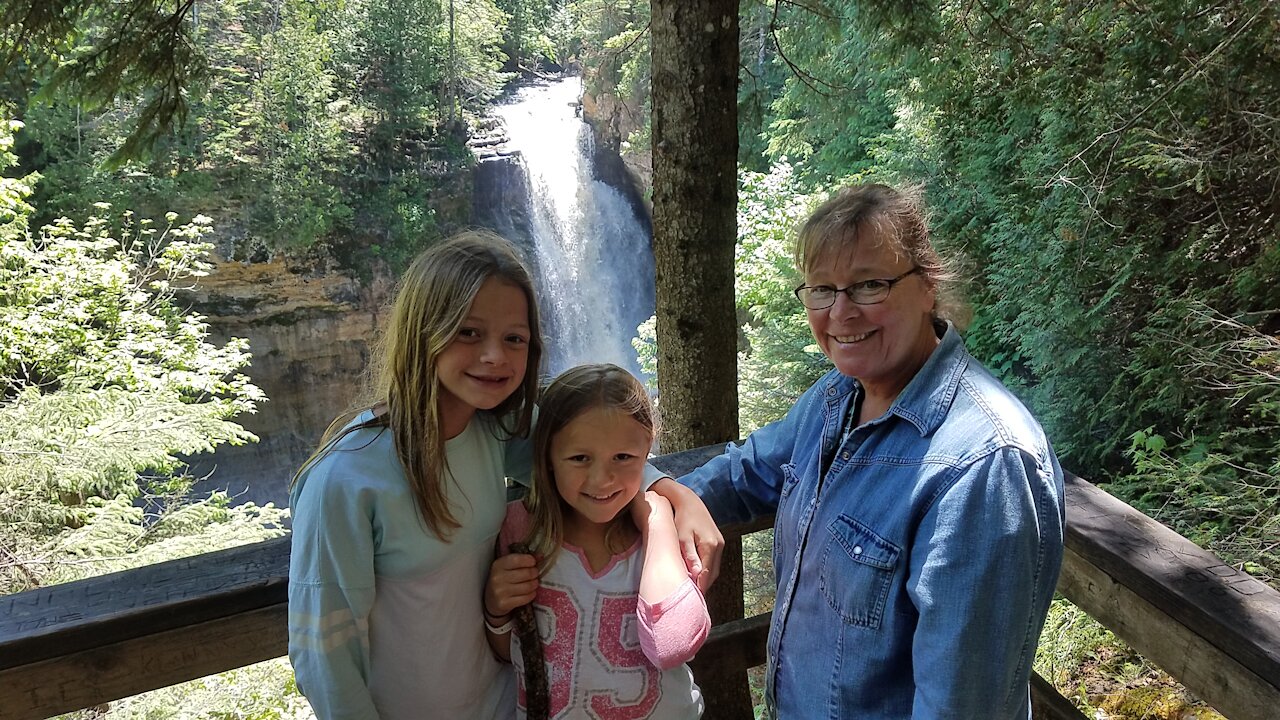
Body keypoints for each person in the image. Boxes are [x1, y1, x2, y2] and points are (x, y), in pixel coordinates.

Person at [286, 231, 719, 720]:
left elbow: (601, 455)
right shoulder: (347, 478)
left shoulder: (493, 432)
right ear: (422, 331)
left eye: (514, 338)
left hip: (502, 704)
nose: (495, 355)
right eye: (469, 332)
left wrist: (674, 495)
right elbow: (323, 654)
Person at [679, 184, 1066, 719]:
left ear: (928, 284)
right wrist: (651, 496)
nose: (840, 314)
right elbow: (747, 473)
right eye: (821, 289)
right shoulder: (836, 396)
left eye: (868, 286)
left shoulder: (983, 465)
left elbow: (960, 706)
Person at [484, 363, 711, 719]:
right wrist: (496, 609)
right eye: (579, 458)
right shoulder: (519, 531)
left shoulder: (664, 537)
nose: (602, 479)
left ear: (647, 449)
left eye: (623, 457)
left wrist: (657, 517)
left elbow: (674, 642)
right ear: (547, 458)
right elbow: (507, 652)